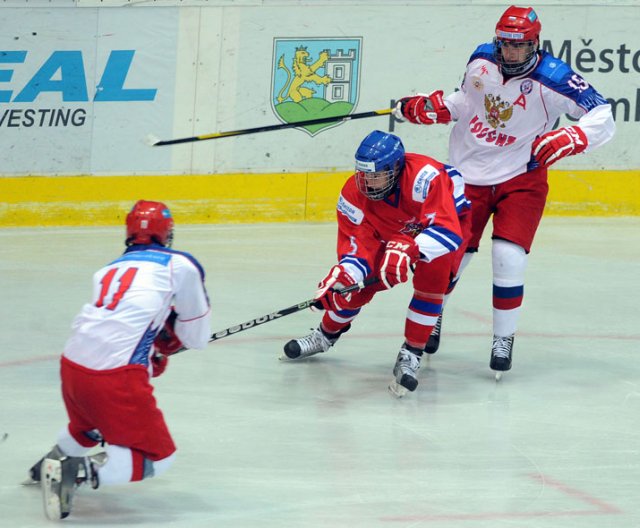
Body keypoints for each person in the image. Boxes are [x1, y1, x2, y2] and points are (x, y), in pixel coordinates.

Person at [392, 5, 615, 377]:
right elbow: (467, 101)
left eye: (519, 46)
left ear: (535, 44)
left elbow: (602, 113)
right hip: (466, 174)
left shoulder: (554, 77)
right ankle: (433, 315)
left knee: (508, 256)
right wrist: (434, 107)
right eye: (505, 45)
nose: (510, 53)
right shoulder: (481, 59)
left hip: (522, 178)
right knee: (450, 255)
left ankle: (503, 338)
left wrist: (574, 134)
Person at [26, 200, 212, 520]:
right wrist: (167, 341)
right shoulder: (180, 265)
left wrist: (151, 352)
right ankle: (72, 470)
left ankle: (52, 459)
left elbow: (121, 327)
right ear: (167, 233)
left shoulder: (109, 268)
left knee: (88, 424)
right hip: (112, 375)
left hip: (72, 367)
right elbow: (196, 336)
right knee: (158, 456)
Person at [282, 130, 471, 397]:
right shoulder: (352, 194)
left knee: (431, 286)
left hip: (438, 226)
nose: (367, 183)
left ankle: (411, 352)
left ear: (395, 168)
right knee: (351, 289)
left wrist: (411, 248)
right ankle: (324, 335)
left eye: (375, 175)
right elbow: (358, 247)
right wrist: (343, 277)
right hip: (391, 230)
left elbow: (449, 232)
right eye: (363, 174)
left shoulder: (424, 179)